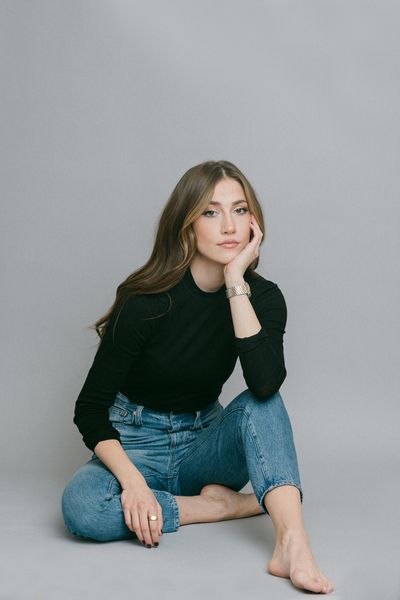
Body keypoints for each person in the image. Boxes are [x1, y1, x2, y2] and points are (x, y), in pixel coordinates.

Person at [61, 160, 334, 594]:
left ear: (254, 223)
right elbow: (89, 409)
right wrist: (133, 484)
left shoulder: (263, 297)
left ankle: (292, 544)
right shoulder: (145, 302)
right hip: (136, 446)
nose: (229, 225)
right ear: (187, 225)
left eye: (240, 210)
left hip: (204, 445)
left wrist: (234, 282)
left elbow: (264, 386)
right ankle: (220, 508)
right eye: (211, 212)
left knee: (263, 401)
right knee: (83, 509)